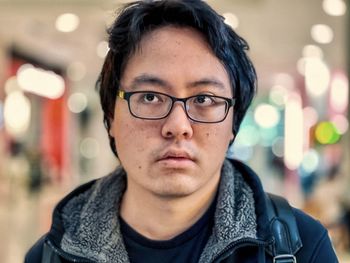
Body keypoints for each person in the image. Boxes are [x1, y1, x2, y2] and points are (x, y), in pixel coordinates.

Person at [25, 0, 338, 262]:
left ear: (233, 121)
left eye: (204, 99)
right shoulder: (51, 255)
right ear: (111, 114)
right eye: (149, 97)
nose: (178, 126)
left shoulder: (301, 247)